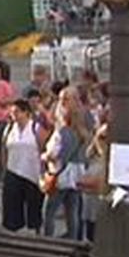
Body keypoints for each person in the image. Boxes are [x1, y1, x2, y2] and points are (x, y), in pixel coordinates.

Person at [42, 100, 89, 240]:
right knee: (72, 211)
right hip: (76, 174)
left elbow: (59, 156)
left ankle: (48, 240)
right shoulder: (82, 133)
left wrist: (46, 156)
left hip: (61, 174)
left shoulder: (63, 132)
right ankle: (73, 240)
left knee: (49, 212)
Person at [2, 99, 43, 234]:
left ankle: (34, 229)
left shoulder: (35, 128)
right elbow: (5, 148)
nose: (15, 115)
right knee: (12, 205)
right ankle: (13, 230)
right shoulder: (9, 128)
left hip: (31, 172)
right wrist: (4, 167)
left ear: (26, 113)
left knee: (33, 205)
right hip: (13, 170)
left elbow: (43, 148)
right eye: (13, 112)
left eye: (18, 112)